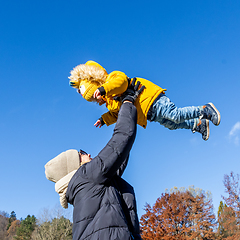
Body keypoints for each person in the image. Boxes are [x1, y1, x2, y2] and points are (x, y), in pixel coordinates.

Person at [45, 81, 144, 239]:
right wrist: (127, 101)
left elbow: (119, 155)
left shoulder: (85, 186)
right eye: (82, 153)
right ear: (74, 165)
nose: (89, 154)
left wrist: (123, 112)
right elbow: (120, 141)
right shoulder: (86, 176)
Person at [69, 60, 221, 141]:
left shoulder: (112, 79)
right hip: (149, 113)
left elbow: (121, 83)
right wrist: (104, 119)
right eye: (96, 98)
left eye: (97, 93)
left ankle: (205, 110)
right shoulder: (110, 102)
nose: (99, 98)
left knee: (175, 115)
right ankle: (198, 124)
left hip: (152, 99)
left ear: (98, 83)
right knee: (171, 125)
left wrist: (104, 90)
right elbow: (117, 114)